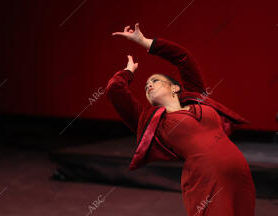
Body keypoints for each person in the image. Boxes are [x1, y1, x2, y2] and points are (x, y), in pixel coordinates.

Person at [107, 23, 256, 215]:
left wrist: (145, 42)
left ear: (175, 88)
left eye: (155, 81)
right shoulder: (153, 123)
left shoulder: (198, 99)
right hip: (205, 180)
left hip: (239, 174)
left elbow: (184, 59)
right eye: (145, 87)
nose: (149, 86)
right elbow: (114, 90)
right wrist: (127, 73)